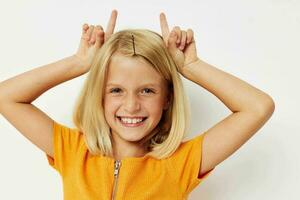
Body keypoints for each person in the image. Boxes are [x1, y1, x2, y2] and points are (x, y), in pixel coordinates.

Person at [0, 9, 275, 200]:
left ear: (167, 97)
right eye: (116, 90)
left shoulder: (181, 163)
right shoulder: (73, 152)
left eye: (147, 90)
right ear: (100, 95)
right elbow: (6, 96)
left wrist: (191, 66)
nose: (131, 106)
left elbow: (258, 107)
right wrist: (79, 63)